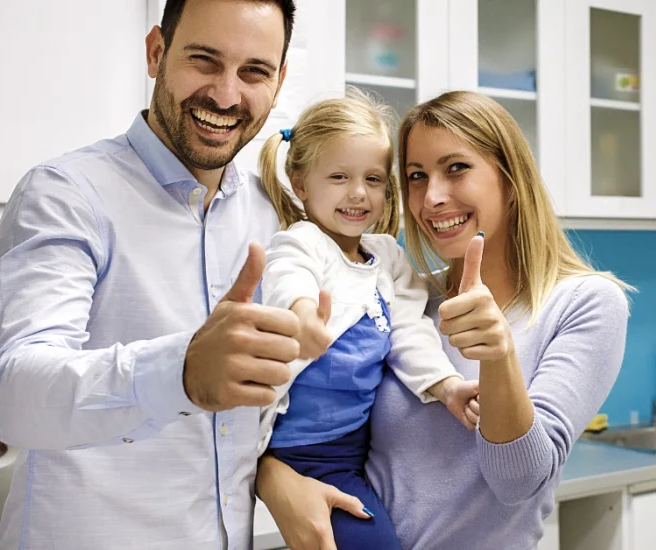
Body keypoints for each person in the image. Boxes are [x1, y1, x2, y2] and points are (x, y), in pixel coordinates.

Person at [0, 1, 369, 548]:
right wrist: (180, 372)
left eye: (254, 71)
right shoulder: (66, 194)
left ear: (278, 83)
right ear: (156, 52)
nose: (226, 95)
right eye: (205, 60)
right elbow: (12, 396)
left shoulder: (273, 220)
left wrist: (276, 477)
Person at [255, 90, 632, 550]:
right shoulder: (402, 294)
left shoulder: (586, 303)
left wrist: (499, 357)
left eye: (456, 168)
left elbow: (519, 483)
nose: (432, 197)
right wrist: (271, 478)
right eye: (416, 176)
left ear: (510, 179)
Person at [253, 89, 481, 549]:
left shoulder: (387, 257)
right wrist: (302, 319)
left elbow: (409, 329)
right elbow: (286, 278)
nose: (358, 193)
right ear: (300, 184)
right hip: (304, 454)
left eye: (373, 179)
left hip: (358, 448)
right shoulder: (303, 242)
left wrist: (446, 385)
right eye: (338, 176)